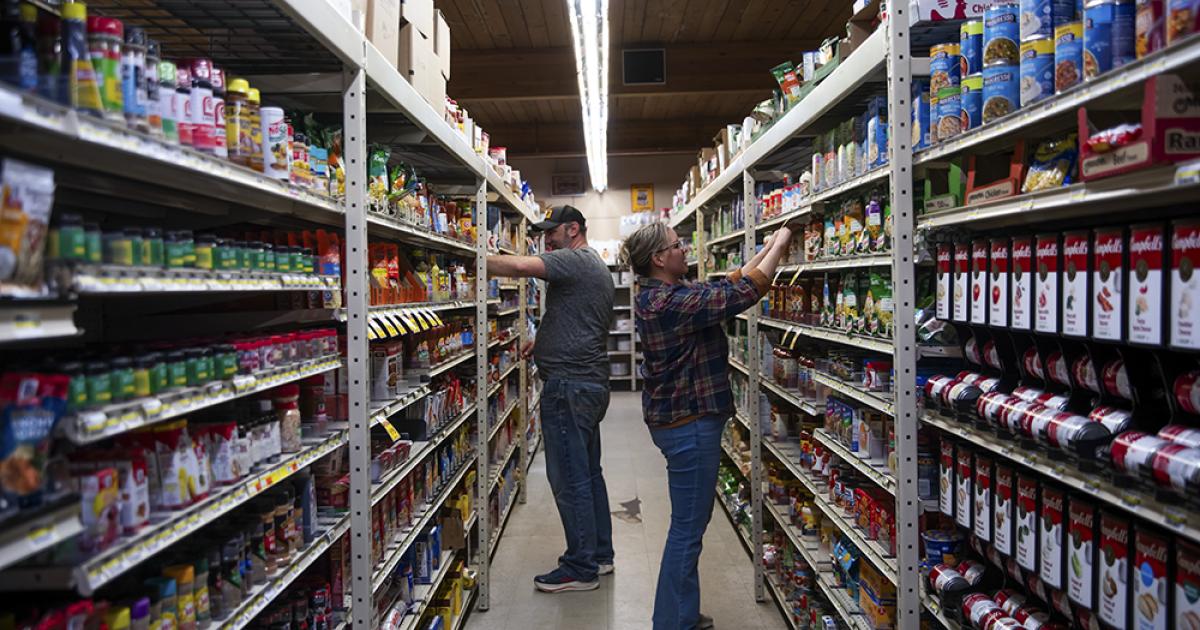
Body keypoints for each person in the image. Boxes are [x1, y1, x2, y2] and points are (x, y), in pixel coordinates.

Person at [621, 221, 794, 629]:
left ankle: (682, 613)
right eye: (676, 245)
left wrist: (768, 249)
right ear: (659, 258)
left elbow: (730, 285)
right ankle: (671, 622)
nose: (684, 249)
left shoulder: (663, 293)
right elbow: (746, 292)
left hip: (680, 422)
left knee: (688, 526)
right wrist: (783, 241)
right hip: (689, 425)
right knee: (688, 529)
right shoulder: (670, 303)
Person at [486, 205, 616, 593]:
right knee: (589, 474)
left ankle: (580, 566)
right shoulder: (591, 265)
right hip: (586, 383)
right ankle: (600, 554)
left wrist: (473, 257)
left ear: (573, 229)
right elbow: (575, 318)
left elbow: (522, 268)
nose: (546, 240)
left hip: (569, 388)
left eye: (552, 233)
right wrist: (541, 342)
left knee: (569, 478)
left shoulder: (575, 260)